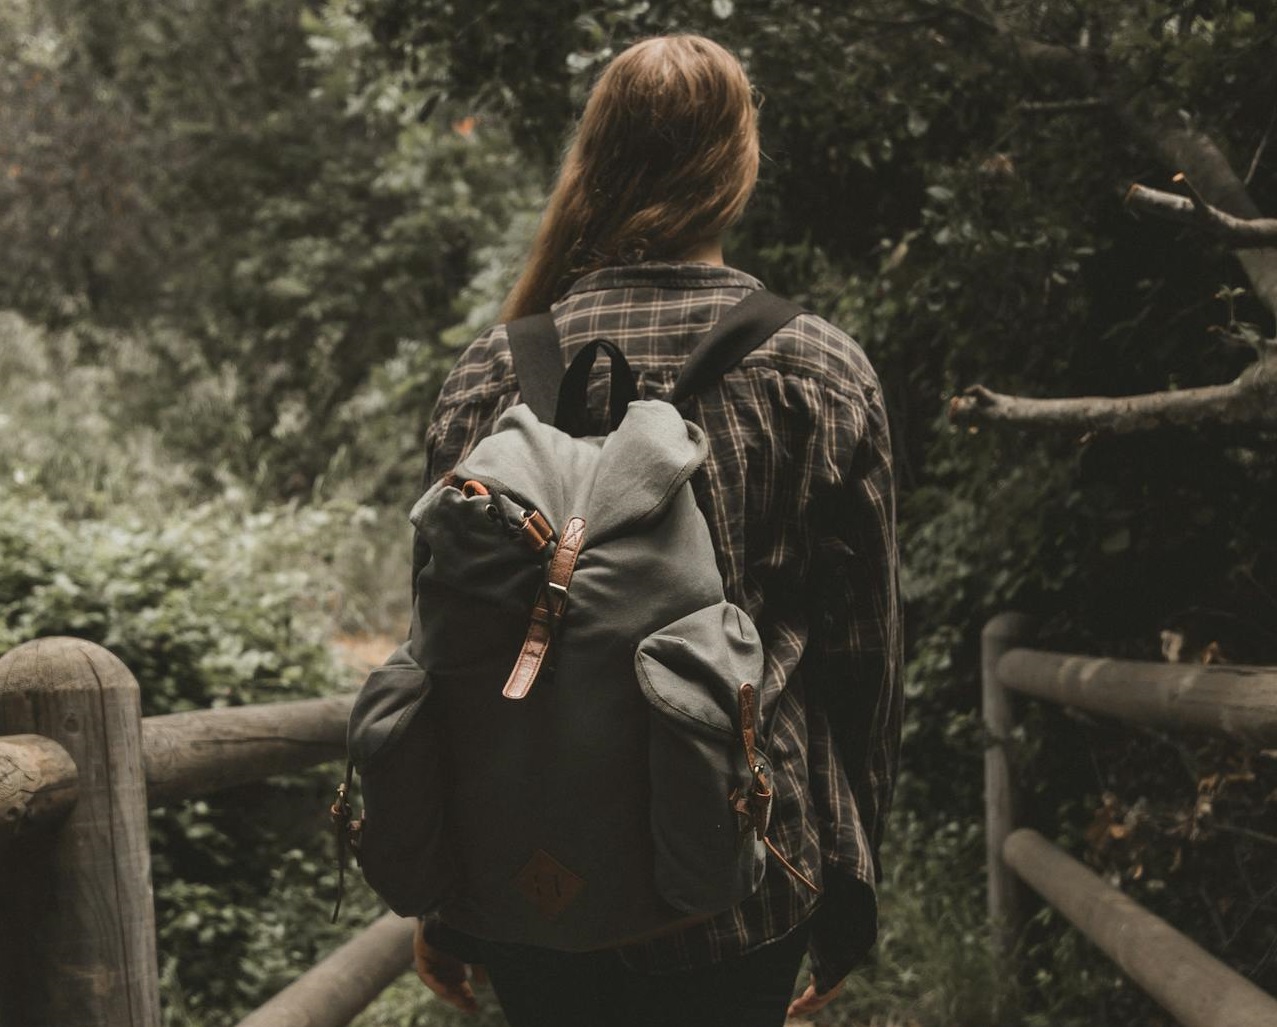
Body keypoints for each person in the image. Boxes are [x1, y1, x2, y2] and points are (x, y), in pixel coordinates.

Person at [409, 33, 902, 1027]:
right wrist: (850, 881)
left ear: (593, 158)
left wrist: (448, 894)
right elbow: (862, 656)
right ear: (738, 162)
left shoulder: (484, 375)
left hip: (530, 875)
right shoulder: (819, 369)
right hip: (743, 871)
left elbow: (445, 651)